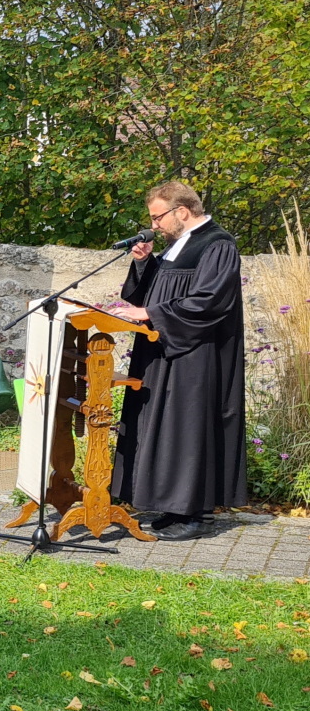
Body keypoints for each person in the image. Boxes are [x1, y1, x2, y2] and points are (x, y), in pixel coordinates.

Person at [110, 181, 247, 541]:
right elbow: (164, 286)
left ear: (181, 212)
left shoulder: (218, 244)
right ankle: (170, 507)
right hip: (163, 350)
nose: (154, 225)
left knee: (187, 428)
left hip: (194, 355)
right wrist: (143, 264)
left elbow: (208, 301)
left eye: (158, 217)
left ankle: (192, 513)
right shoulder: (177, 247)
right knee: (164, 427)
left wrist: (149, 312)